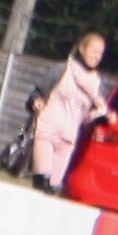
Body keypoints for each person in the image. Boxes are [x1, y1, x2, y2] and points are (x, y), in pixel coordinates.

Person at [30, 30, 109, 189]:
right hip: (47, 130)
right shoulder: (62, 70)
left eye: (100, 53)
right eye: (94, 51)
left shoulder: (97, 84)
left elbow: (93, 115)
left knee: (53, 187)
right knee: (42, 181)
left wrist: (103, 116)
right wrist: (36, 101)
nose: (97, 56)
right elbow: (37, 93)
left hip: (68, 139)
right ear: (82, 49)